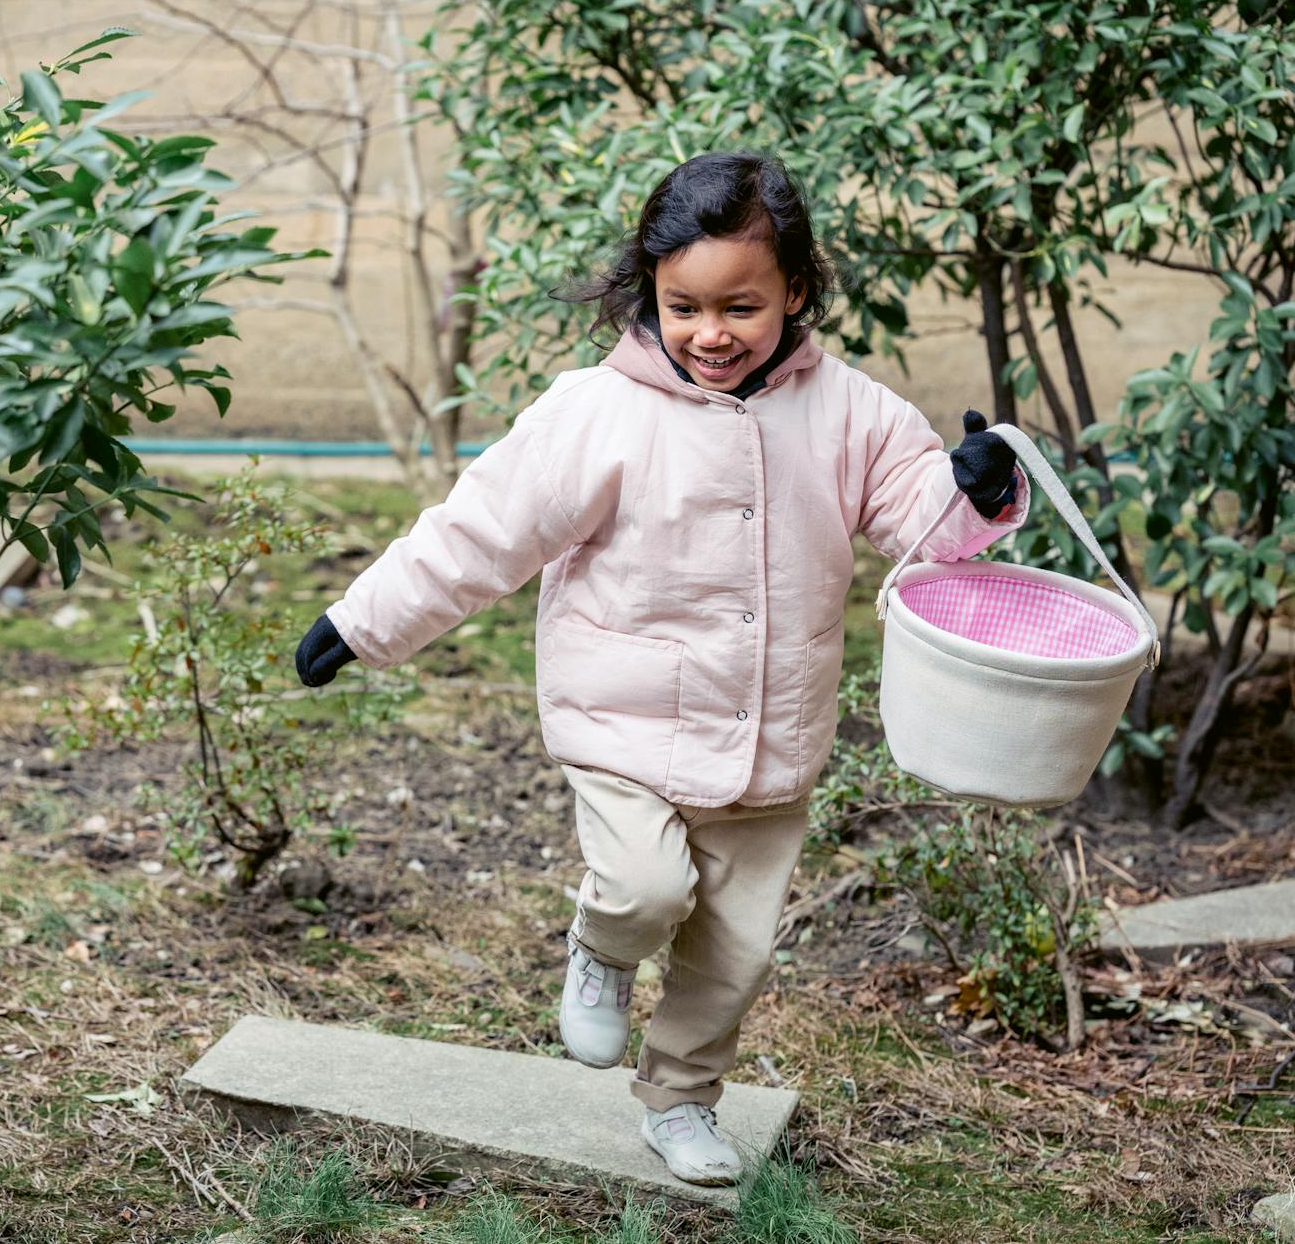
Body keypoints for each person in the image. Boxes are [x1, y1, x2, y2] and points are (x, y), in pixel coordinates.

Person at [291, 151, 1026, 1186]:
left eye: (740, 305)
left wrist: (974, 488)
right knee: (641, 888)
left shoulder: (849, 411)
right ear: (650, 294)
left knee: (731, 956)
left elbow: (917, 519)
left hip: (771, 740)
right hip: (621, 721)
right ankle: (599, 946)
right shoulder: (596, 411)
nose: (710, 333)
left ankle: (679, 1100)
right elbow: (480, 531)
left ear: (795, 292)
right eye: (683, 306)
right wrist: (362, 620)